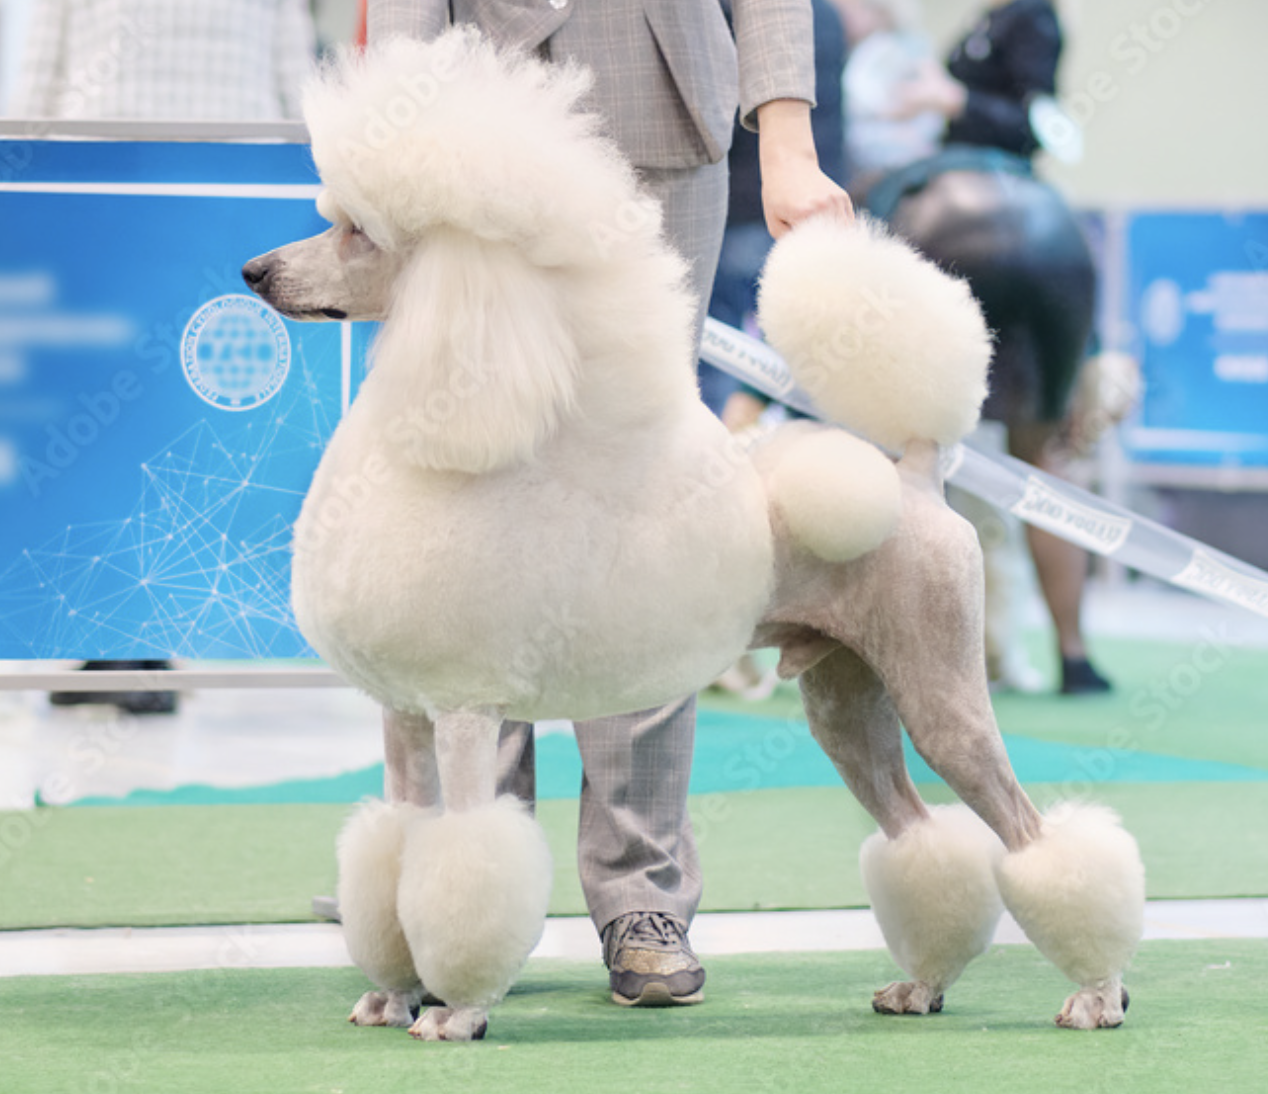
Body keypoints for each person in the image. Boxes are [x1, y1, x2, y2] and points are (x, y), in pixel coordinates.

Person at [367, 0, 853, 1007]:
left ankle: (642, 893)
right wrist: (390, 128)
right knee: (470, 492)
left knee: (638, 506)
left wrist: (789, 140)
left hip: (663, 111)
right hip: (476, 108)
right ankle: (461, 892)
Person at [12, 1, 317, 714]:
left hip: (175, 184)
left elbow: (295, 77)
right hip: (149, 183)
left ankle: (144, 638)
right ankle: (116, 635)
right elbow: (297, 79)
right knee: (120, 413)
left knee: (162, 413)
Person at [874, 0, 1111, 696]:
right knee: (1045, 454)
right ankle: (1074, 655)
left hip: (960, 224)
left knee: (924, 453)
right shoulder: (1000, 18)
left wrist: (950, 97)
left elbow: (1041, 126)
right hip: (1041, 232)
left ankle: (924, 662)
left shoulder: (1031, 17)